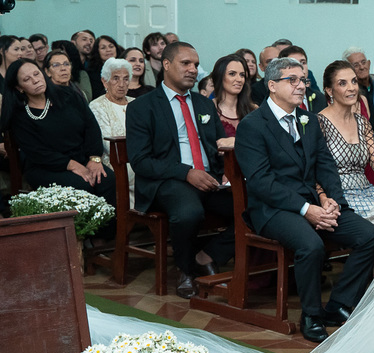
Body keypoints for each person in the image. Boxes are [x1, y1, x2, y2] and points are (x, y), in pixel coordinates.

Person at [236, 56, 374, 344]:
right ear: (272, 85)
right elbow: (261, 182)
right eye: (293, 80)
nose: (301, 85)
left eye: (302, 79)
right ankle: (311, 315)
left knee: (369, 236)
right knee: (311, 245)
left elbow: (325, 165)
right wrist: (306, 209)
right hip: (273, 209)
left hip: (314, 202)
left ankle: (338, 304)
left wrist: (333, 202)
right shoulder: (253, 126)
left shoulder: (308, 120)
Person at [126, 42, 235, 299]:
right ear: (166, 64)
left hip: (210, 179)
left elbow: (218, 147)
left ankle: (207, 255)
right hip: (168, 179)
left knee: (254, 206)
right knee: (189, 212)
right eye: (185, 63)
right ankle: (184, 270)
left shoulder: (205, 105)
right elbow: (140, 160)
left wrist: (226, 172)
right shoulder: (142, 106)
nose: (193, 69)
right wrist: (186, 172)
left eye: (195, 65)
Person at [2, 59, 116, 206]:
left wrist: (94, 158)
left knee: (107, 180)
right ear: (19, 88)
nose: (35, 80)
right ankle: (78, 229)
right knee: (82, 185)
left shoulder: (69, 95)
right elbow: (37, 152)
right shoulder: (20, 115)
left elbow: (91, 125)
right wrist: (72, 165)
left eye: (36, 74)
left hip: (82, 159)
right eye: (27, 79)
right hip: (45, 167)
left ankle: (108, 229)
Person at [317, 60, 374, 227]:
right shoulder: (319, 123)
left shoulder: (362, 122)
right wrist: (322, 197)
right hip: (340, 196)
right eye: (342, 83)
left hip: (367, 190)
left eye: (353, 81)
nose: (351, 88)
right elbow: (312, 169)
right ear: (329, 90)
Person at [89, 58, 138, 207]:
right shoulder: (97, 106)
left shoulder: (136, 103)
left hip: (138, 157)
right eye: (115, 78)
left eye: (125, 79)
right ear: (105, 82)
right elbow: (107, 143)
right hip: (115, 161)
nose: (121, 84)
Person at [210, 54, 255, 139]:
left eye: (242, 75)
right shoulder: (207, 109)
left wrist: (235, 142)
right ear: (220, 76)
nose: (239, 79)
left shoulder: (253, 110)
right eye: (232, 74)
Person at [279, 45, 327, 113]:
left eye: (303, 62)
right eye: (294, 63)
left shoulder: (319, 98)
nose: (300, 67)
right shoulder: (279, 99)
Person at [343, 47, 374, 121]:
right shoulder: (349, 91)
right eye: (356, 65)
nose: (362, 67)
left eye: (363, 62)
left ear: (369, 64)